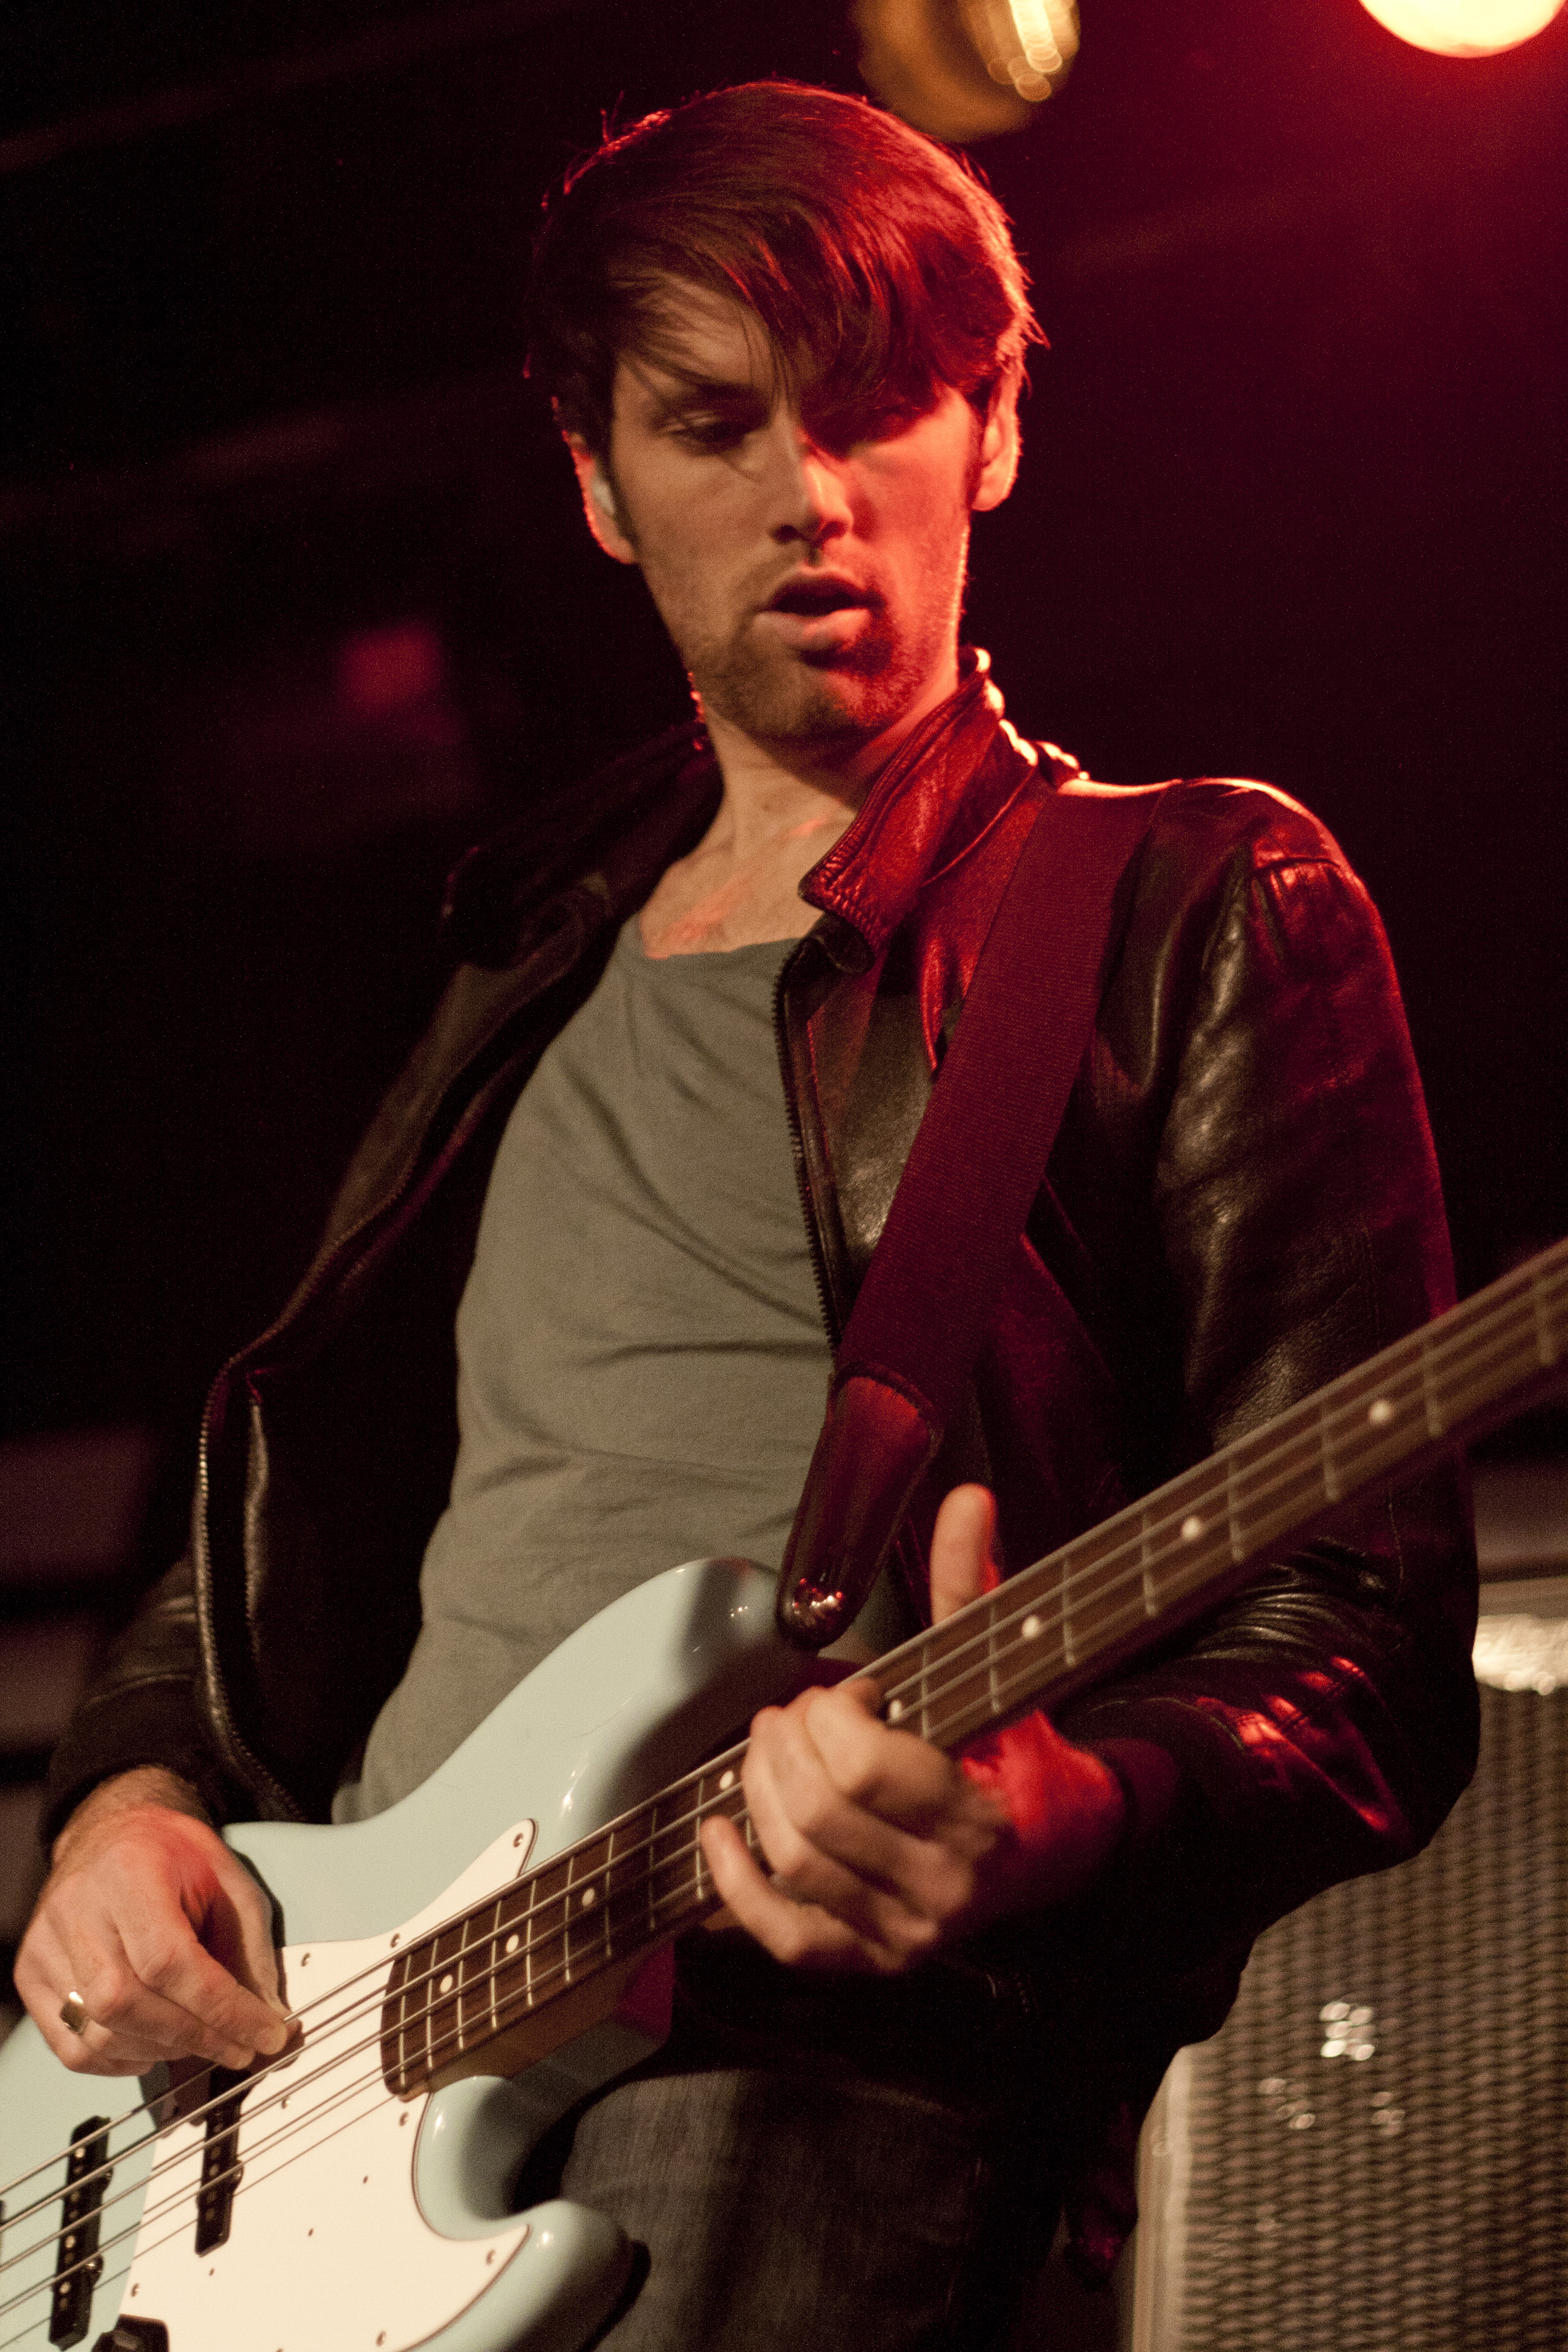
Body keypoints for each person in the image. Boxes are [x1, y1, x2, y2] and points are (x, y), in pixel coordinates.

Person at [18, 82, 1478, 2348]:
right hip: (301, 2091)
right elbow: (284, 1516)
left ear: (994, 431)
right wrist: (128, 1798)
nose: (810, 490)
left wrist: (1068, 1809)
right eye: (713, 424)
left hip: (802, 2073)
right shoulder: (518, 959)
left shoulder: (1187, 902)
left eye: (878, 407)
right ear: (600, 486)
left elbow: (1361, 1627)